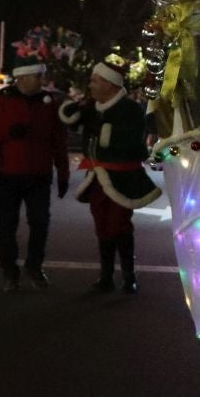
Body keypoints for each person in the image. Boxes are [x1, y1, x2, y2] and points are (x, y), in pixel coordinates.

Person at [0, 51, 71, 292]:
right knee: (6, 226)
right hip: (7, 174)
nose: (42, 80)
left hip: (39, 175)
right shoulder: (0, 100)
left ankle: (34, 266)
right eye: (38, 76)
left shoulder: (50, 102)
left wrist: (63, 173)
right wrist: (6, 134)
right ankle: (9, 271)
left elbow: (59, 140)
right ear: (23, 78)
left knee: (40, 223)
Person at [59, 59, 159, 294]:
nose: (91, 85)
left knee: (120, 226)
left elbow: (129, 143)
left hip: (122, 178)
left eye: (95, 81)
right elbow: (69, 119)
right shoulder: (92, 107)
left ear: (109, 84)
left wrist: (105, 135)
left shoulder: (130, 110)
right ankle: (105, 276)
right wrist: (78, 105)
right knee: (102, 226)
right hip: (97, 177)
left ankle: (128, 276)